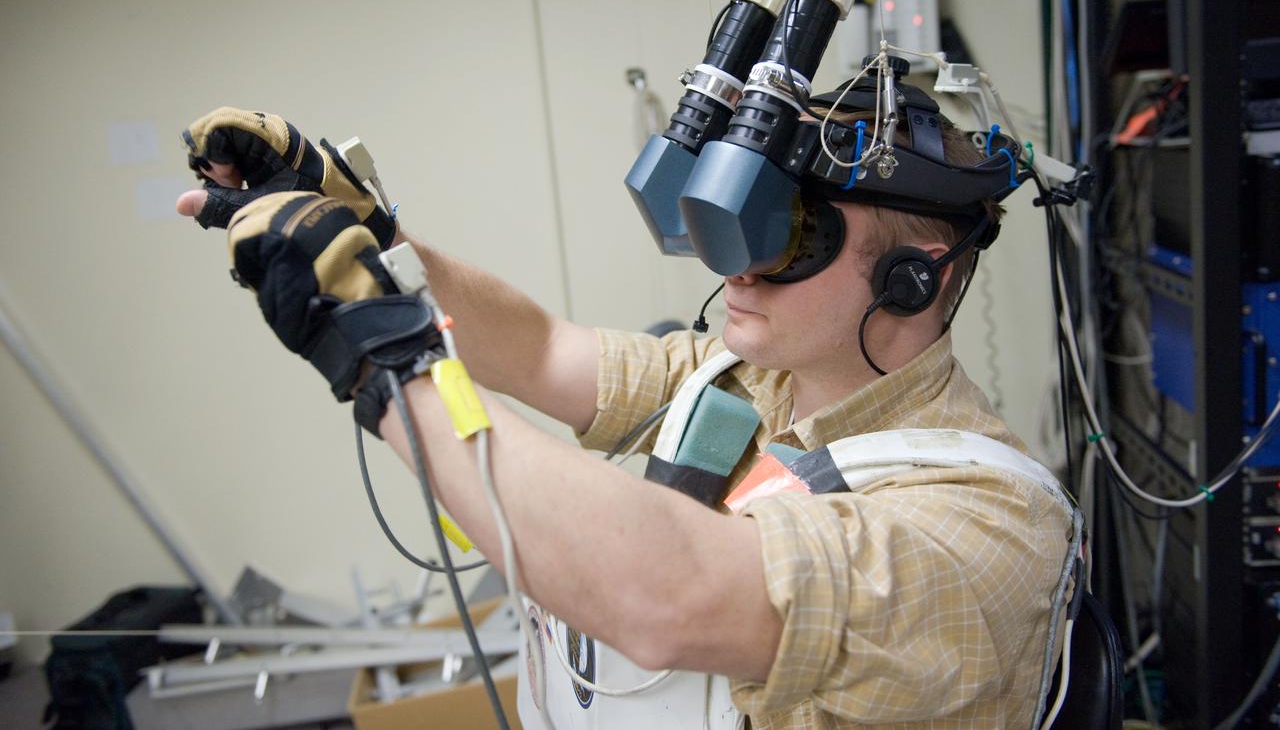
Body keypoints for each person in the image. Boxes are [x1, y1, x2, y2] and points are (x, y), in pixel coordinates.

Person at [176, 93, 1073, 729]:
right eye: (737, 218)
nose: (736, 268)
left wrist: (389, 367)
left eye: (790, 234)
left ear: (921, 273)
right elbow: (539, 350)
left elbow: (674, 596)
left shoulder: (986, 524)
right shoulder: (738, 377)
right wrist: (374, 237)